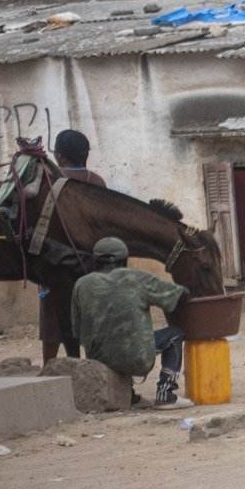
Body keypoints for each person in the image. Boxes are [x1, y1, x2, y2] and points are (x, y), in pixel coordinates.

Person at [70, 236, 187, 407]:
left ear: (95, 261)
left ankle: (129, 396)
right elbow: (177, 294)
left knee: (112, 340)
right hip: (137, 358)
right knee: (174, 334)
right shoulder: (137, 278)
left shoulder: (81, 284)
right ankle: (166, 393)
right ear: (124, 260)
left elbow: (77, 330)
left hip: (98, 359)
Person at [39, 129, 108, 364]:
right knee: (90, 318)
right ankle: (94, 366)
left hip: (52, 262)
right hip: (88, 265)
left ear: (59, 156)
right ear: (85, 154)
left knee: (51, 320)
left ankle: (48, 367)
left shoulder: (48, 180)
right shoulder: (96, 182)